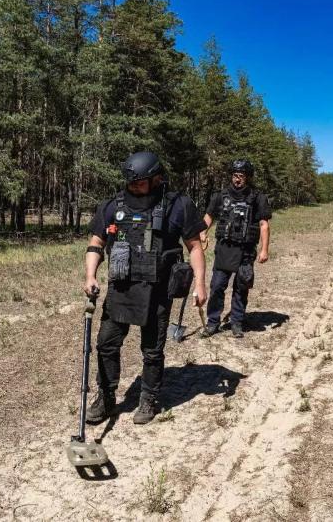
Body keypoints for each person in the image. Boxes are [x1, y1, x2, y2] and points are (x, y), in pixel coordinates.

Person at [83, 152, 208, 425]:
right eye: (130, 183)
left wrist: (200, 283)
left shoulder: (178, 205)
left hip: (157, 291)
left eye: (139, 183)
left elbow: (195, 247)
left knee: (152, 350)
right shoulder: (112, 206)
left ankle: (148, 398)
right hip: (121, 289)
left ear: (157, 178)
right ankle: (105, 397)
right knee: (106, 344)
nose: (133, 187)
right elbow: (96, 242)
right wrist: (90, 275)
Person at [199, 160, 271, 339]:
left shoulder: (257, 197)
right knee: (216, 286)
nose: (237, 179)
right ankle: (213, 323)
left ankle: (237, 323)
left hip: (246, 251)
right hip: (225, 248)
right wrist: (202, 233)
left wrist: (264, 250)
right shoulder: (221, 195)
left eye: (241, 176)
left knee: (241, 287)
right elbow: (209, 216)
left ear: (248, 177)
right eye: (235, 175)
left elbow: (264, 225)